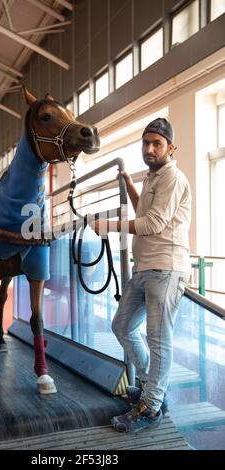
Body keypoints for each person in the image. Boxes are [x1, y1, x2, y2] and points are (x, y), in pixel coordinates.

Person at [90, 117, 191, 433]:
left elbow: (152, 225)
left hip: (167, 269)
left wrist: (108, 226)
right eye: (146, 143)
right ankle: (152, 389)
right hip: (144, 268)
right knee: (122, 326)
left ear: (170, 148)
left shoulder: (173, 177)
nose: (149, 148)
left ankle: (151, 407)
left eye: (156, 143)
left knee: (159, 339)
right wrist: (132, 188)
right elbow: (144, 214)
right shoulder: (152, 178)